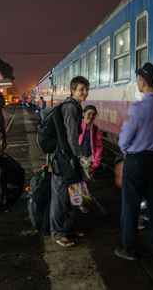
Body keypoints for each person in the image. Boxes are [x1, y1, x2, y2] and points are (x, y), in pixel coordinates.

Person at [115, 63, 153, 261]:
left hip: (136, 162)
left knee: (130, 207)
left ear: (143, 81)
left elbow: (124, 139)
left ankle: (130, 250)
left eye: (138, 79)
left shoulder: (138, 108)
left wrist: (125, 150)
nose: (137, 82)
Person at [50, 76, 89, 248]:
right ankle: (58, 234)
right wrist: (77, 157)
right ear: (73, 90)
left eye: (87, 89)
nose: (85, 92)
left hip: (64, 157)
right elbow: (72, 136)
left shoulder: (74, 106)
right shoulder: (71, 108)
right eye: (82, 89)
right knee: (59, 197)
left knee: (68, 195)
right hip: (64, 159)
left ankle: (67, 228)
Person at [77, 105, 103, 213]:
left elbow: (99, 147)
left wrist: (95, 163)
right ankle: (78, 204)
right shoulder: (77, 126)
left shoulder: (95, 129)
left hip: (89, 160)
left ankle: (82, 203)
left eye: (93, 114)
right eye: (88, 114)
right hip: (78, 158)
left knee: (86, 183)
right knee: (77, 183)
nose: (91, 116)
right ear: (83, 114)